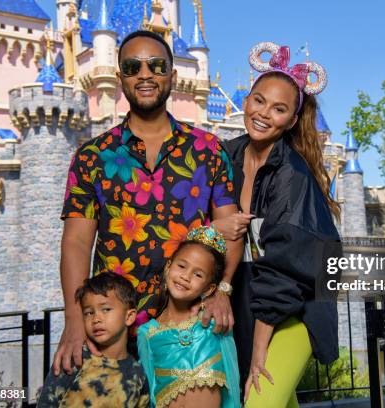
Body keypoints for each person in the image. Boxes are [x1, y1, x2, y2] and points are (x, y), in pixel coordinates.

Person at [55, 30, 242, 377]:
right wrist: (73, 317)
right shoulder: (92, 156)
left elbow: (231, 228)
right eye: (132, 66)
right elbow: (77, 241)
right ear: (119, 77)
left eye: (156, 66)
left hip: (191, 327)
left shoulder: (209, 150)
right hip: (114, 333)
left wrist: (224, 290)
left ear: (173, 75)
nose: (145, 74)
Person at [214, 42, 342, 407]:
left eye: (279, 108)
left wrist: (259, 349)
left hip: (295, 307)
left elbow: (287, 268)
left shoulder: (292, 175)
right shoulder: (226, 154)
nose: (263, 113)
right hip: (244, 301)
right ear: (247, 99)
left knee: (258, 401)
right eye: (258, 100)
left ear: (291, 119)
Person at [137, 225, 240, 408]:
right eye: (182, 266)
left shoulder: (213, 324)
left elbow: (232, 378)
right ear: (168, 267)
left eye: (198, 274)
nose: (186, 276)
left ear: (209, 288)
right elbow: (150, 393)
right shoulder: (147, 333)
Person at [38, 273, 150, 407]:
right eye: (89, 313)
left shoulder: (138, 374)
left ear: (129, 316)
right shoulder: (75, 360)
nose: (96, 319)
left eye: (106, 309)